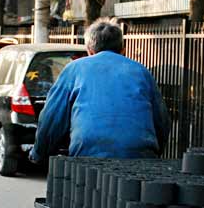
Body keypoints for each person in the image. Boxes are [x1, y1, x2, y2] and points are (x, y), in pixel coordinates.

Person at [30, 18, 169, 161]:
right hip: (141, 154)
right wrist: (154, 151)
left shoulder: (74, 69)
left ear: (89, 51)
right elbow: (162, 121)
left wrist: (39, 153)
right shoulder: (141, 71)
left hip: (89, 154)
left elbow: (52, 118)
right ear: (123, 51)